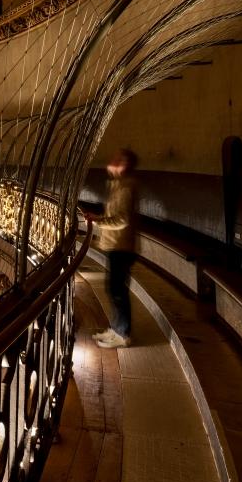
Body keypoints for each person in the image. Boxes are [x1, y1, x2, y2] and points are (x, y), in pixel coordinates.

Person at [91, 148, 138, 348]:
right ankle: (116, 328)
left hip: (121, 245)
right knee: (113, 289)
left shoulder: (125, 187)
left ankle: (123, 334)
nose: (112, 160)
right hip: (115, 244)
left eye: (117, 159)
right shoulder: (118, 185)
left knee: (118, 290)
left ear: (124, 165)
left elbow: (122, 219)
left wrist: (99, 222)